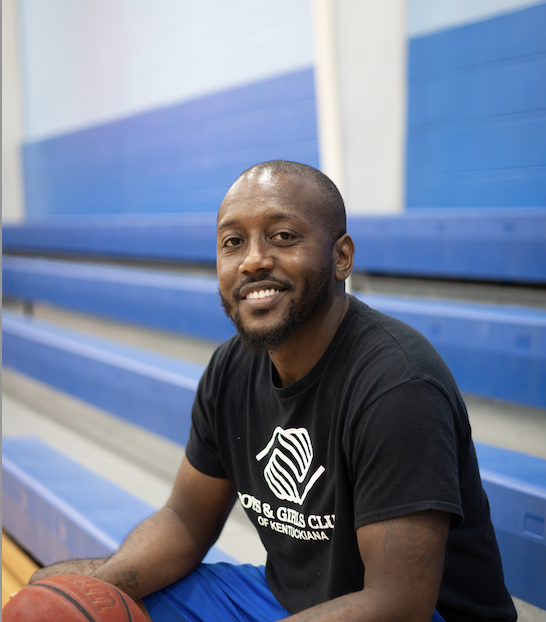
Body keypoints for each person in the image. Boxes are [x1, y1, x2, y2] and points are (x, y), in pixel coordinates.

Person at [29, 161, 516, 622]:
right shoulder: (231, 367)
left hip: (413, 615)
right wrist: (95, 597)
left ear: (341, 256)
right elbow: (184, 520)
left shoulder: (397, 384)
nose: (254, 260)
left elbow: (398, 604)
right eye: (233, 242)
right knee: (55, 593)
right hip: (284, 602)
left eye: (283, 237)